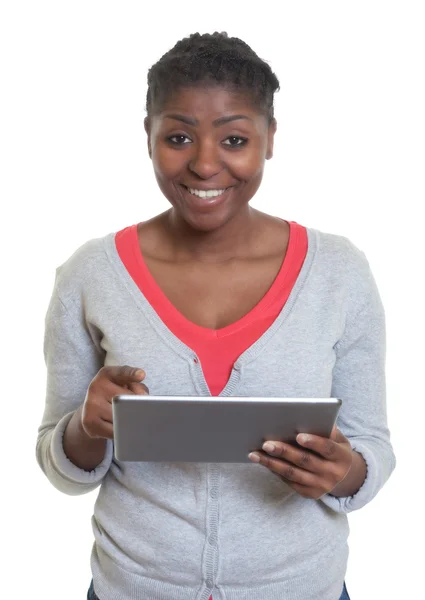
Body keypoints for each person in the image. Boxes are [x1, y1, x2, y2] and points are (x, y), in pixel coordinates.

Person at [36, 32, 396, 600]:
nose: (205, 164)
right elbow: (59, 465)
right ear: (148, 137)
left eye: (234, 138)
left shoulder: (339, 274)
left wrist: (344, 472)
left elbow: (371, 446)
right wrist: (86, 427)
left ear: (270, 139)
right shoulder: (91, 276)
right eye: (178, 137)